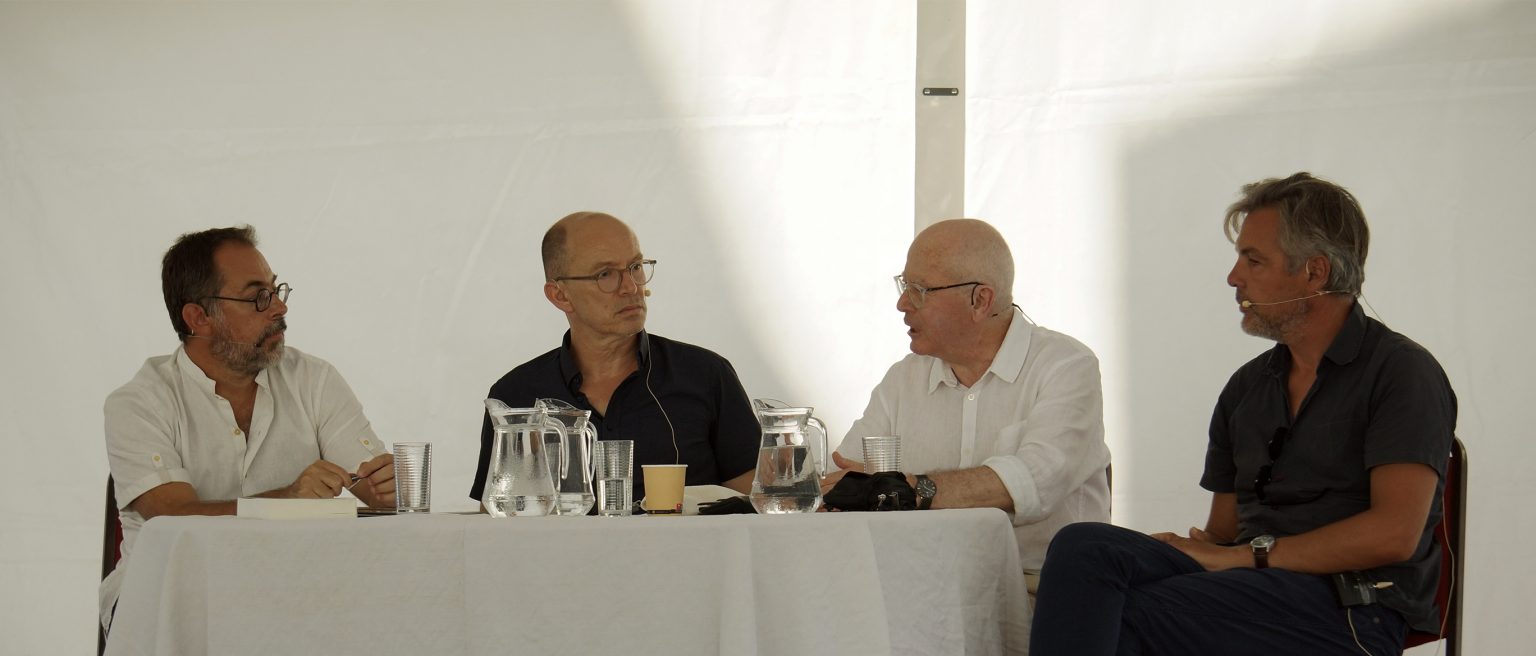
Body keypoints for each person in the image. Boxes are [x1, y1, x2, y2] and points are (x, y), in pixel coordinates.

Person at [1029, 173, 1456, 656]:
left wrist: (1245, 558)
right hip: (1253, 587)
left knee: (1120, 613)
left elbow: (1394, 535)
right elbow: (1227, 531)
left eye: (1253, 260)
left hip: (1354, 607)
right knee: (1084, 548)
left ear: (1315, 274)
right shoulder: (1248, 387)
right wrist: (1192, 546)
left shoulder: (1402, 372)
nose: (1234, 277)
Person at [100, 226, 395, 633]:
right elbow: (171, 519)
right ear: (198, 318)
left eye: (276, 291)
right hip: (166, 600)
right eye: (258, 296)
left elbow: (377, 491)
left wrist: (387, 486)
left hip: (290, 594)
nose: (279, 308)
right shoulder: (139, 402)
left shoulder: (314, 379)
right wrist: (288, 500)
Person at [822, 218, 1112, 573]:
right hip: (921, 585)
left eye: (919, 290)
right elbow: (849, 482)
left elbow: (1036, 480)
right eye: (903, 285)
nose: (901, 303)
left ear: (980, 300)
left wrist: (911, 489)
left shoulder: (1065, 366)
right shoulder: (903, 379)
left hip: (1041, 592)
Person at [470, 212, 759, 504]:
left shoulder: (706, 375)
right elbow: (497, 530)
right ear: (560, 295)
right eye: (605, 274)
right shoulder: (516, 396)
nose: (631, 287)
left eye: (635, 267)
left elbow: (754, 516)